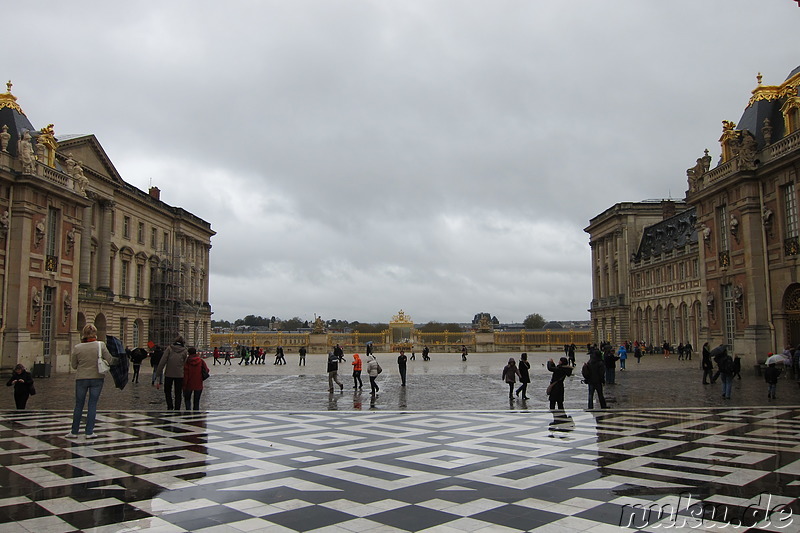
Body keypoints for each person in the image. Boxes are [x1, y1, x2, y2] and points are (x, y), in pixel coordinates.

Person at [66, 324, 117, 438]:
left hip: (81, 378)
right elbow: (110, 360)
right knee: (92, 404)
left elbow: (74, 365)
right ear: (95, 333)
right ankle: (89, 432)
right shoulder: (101, 345)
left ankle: (74, 431)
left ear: (83, 333)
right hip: (97, 378)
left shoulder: (77, 347)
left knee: (79, 404)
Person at [155, 336, 188, 410]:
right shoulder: (184, 351)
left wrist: (158, 373)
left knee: (167, 391)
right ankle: (177, 408)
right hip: (180, 374)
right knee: (178, 392)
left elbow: (162, 361)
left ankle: (170, 406)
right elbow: (186, 364)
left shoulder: (169, 349)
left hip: (169, 374)